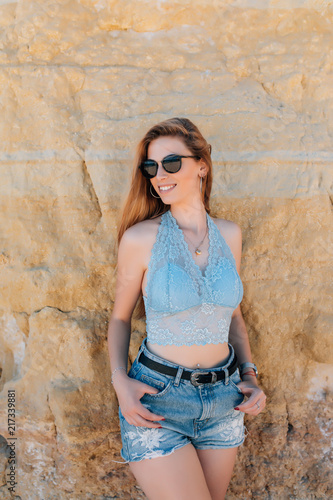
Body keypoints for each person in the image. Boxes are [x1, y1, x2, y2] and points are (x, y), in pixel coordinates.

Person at [107, 117, 266, 500]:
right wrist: (120, 384)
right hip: (158, 400)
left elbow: (232, 314)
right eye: (152, 167)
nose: (160, 175)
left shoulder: (230, 234)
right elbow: (119, 317)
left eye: (172, 163)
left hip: (225, 400)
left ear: (202, 165)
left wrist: (250, 373)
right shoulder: (139, 238)